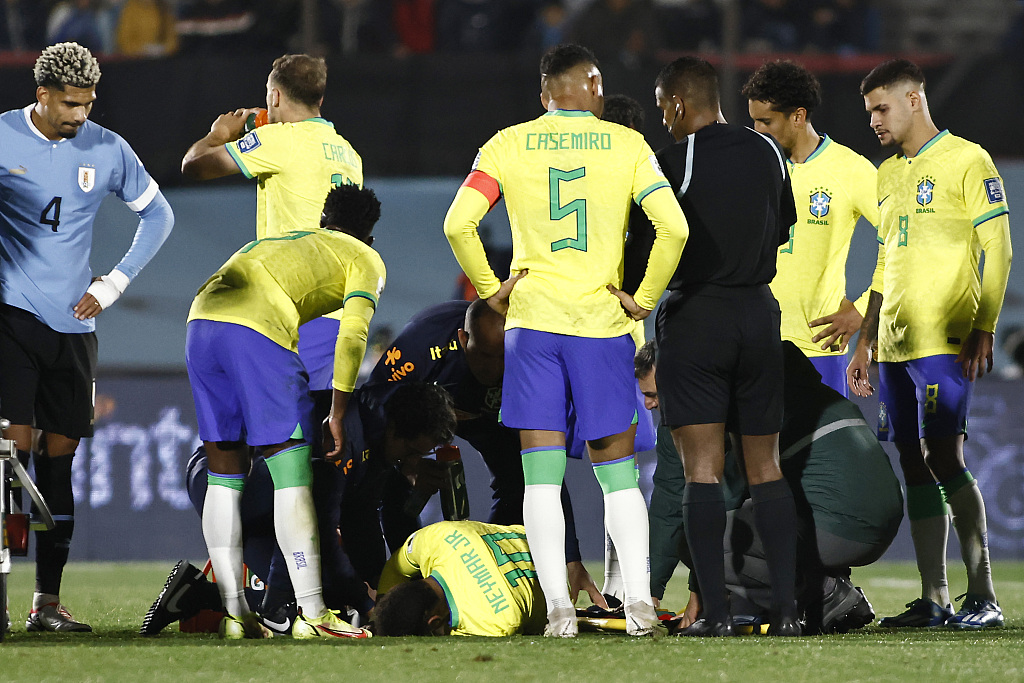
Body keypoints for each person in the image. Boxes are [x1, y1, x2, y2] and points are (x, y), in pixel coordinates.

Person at [443, 44, 688, 637]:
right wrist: (646, 297)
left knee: (541, 476)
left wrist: (489, 290)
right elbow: (672, 226)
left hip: (533, 328)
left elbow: (458, 222)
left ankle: (558, 613)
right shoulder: (627, 144)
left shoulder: (506, 142)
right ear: (594, 86)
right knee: (619, 475)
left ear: (544, 93)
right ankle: (638, 608)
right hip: (601, 326)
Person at [0, 41, 174, 633]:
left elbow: (160, 216)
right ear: (42, 92)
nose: (80, 115)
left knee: (58, 470)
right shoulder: (3, 138)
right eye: (70, 103)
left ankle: (47, 603)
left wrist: (115, 284)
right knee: (9, 462)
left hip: (75, 328)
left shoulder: (107, 148)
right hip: (12, 318)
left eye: (88, 103)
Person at [848, 59, 1012, 630]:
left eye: (881, 108)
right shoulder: (886, 173)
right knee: (913, 463)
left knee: (946, 457)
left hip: (945, 340)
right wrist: (865, 337)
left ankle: (984, 595)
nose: (873, 120)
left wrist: (985, 325)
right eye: (869, 111)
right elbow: (885, 260)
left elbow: (999, 247)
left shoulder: (968, 159)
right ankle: (936, 597)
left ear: (915, 99)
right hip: (892, 343)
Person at [185, 183, 385, 640]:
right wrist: (337, 409)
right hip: (256, 330)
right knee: (293, 477)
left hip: (200, 321)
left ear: (322, 221)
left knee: (224, 476)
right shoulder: (365, 258)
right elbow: (353, 336)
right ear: (368, 236)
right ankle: (313, 615)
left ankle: (236, 615)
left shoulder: (276, 240)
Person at [650, 56, 799, 637]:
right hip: (759, 314)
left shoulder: (674, 161)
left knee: (702, 472)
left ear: (680, 103)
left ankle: (715, 613)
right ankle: (786, 613)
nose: (663, 117)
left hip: (698, 317)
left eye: (663, 106)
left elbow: (658, 238)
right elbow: (781, 225)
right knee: (767, 467)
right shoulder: (767, 151)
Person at [141, 382, 457, 637]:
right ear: (395, 430)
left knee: (306, 603)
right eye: (413, 451)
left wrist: (382, 588)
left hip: (271, 506)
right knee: (302, 602)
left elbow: (362, 522)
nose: (412, 462)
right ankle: (235, 599)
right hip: (229, 481)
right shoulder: (345, 440)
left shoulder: (377, 439)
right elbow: (320, 529)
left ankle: (193, 594)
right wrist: (368, 601)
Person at [639, 340, 903, 633]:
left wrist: (697, 594)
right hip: (881, 514)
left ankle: (825, 593)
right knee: (765, 506)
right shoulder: (772, 381)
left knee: (699, 538)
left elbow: (715, 502)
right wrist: (653, 590)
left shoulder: (735, 405)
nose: (650, 404)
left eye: (653, 394)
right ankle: (808, 593)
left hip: (842, 525)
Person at [182, 53, 362, 408]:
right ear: (320, 98)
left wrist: (218, 134)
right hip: (338, 309)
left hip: (293, 309)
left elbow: (194, 166)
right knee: (316, 427)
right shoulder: (349, 153)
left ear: (275, 97)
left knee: (275, 430)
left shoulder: (279, 141)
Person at [742, 59, 880, 396]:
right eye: (753, 122)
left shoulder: (850, 170)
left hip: (815, 348)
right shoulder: (748, 166)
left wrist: (862, 309)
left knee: (818, 450)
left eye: (766, 122)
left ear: (798, 116)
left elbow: (904, 240)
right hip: (750, 344)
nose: (758, 132)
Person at [373, 520, 548, 636]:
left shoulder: (497, 621)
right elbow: (395, 567)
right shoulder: (432, 536)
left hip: (564, 581)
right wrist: (382, 608)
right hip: (544, 539)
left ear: (434, 623)